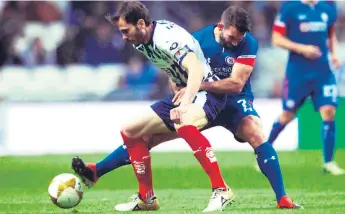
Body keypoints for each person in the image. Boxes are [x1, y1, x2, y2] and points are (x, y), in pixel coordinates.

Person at [72, 5, 302, 210]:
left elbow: (236, 83)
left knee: (255, 131)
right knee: (144, 137)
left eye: (237, 39)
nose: (234, 42)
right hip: (198, 95)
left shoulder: (247, 42)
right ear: (220, 27)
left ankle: (281, 198)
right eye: (231, 37)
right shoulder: (197, 38)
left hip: (233, 99)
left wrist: (192, 91)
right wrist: (179, 88)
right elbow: (174, 70)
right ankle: (101, 173)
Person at [73, 1, 234, 212]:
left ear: (140, 23)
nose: (123, 36)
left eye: (125, 30)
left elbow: (194, 67)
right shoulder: (141, 39)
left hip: (208, 93)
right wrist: (175, 83)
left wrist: (185, 104)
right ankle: (146, 198)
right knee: (130, 130)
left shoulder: (164, 39)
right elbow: (170, 64)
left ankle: (221, 189)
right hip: (185, 92)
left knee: (183, 122)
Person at [268, 0, 344, 175]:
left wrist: (334, 54)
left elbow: (331, 35)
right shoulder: (290, 8)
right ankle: (263, 152)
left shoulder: (327, 7)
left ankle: (328, 162)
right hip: (298, 73)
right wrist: (301, 48)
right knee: (287, 115)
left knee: (329, 110)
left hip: (323, 71)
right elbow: (276, 38)